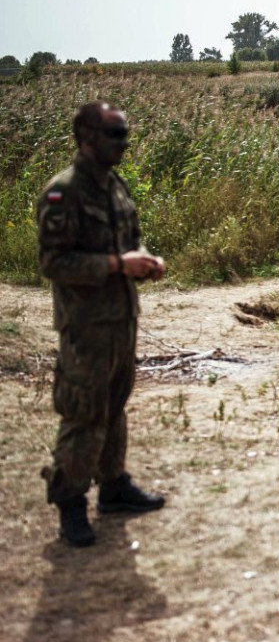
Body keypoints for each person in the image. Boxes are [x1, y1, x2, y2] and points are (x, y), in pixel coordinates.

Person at [37, 101, 167, 548]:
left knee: (114, 404)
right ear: (87, 137)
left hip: (121, 318)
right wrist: (117, 264)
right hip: (86, 324)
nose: (123, 142)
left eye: (125, 133)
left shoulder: (114, 187)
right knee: (83, 412)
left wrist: (143, 261)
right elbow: (53, 262)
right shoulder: (64, 192)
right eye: (115, 134)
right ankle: (71, 504)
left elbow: (127, 242)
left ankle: (113, 488)